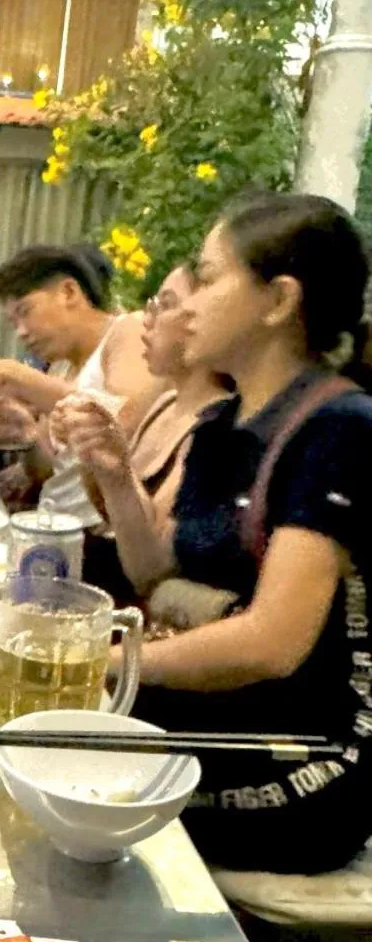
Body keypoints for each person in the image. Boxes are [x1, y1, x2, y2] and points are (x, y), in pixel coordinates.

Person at [73, 192, 372, 875]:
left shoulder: (339, 428)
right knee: (24, 737)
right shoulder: (222, 425)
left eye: (207, 280)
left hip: (311, 762)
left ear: (279, 301)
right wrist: (116, 475)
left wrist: (98, 662)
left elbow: (271, 644)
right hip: (216, 718)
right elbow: (155, 576)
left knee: (62, 795)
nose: (187, 307)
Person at [0, 244, 153, 522]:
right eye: (13, 322)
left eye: (25, 311)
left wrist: (15, 375)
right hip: (50, 523)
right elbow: (47, 472)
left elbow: (124, 420)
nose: (21, 332)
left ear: (69, 292)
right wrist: (26, 432)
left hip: (97, 534)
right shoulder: (62, 367)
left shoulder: (128, 330)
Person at [58, 261, 229, 539]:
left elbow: (153, 546)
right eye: (152, 305)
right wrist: (90, 448)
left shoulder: (216, 425)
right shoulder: (165, 404)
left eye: (166, 305)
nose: (147, 320)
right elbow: (110, 513)